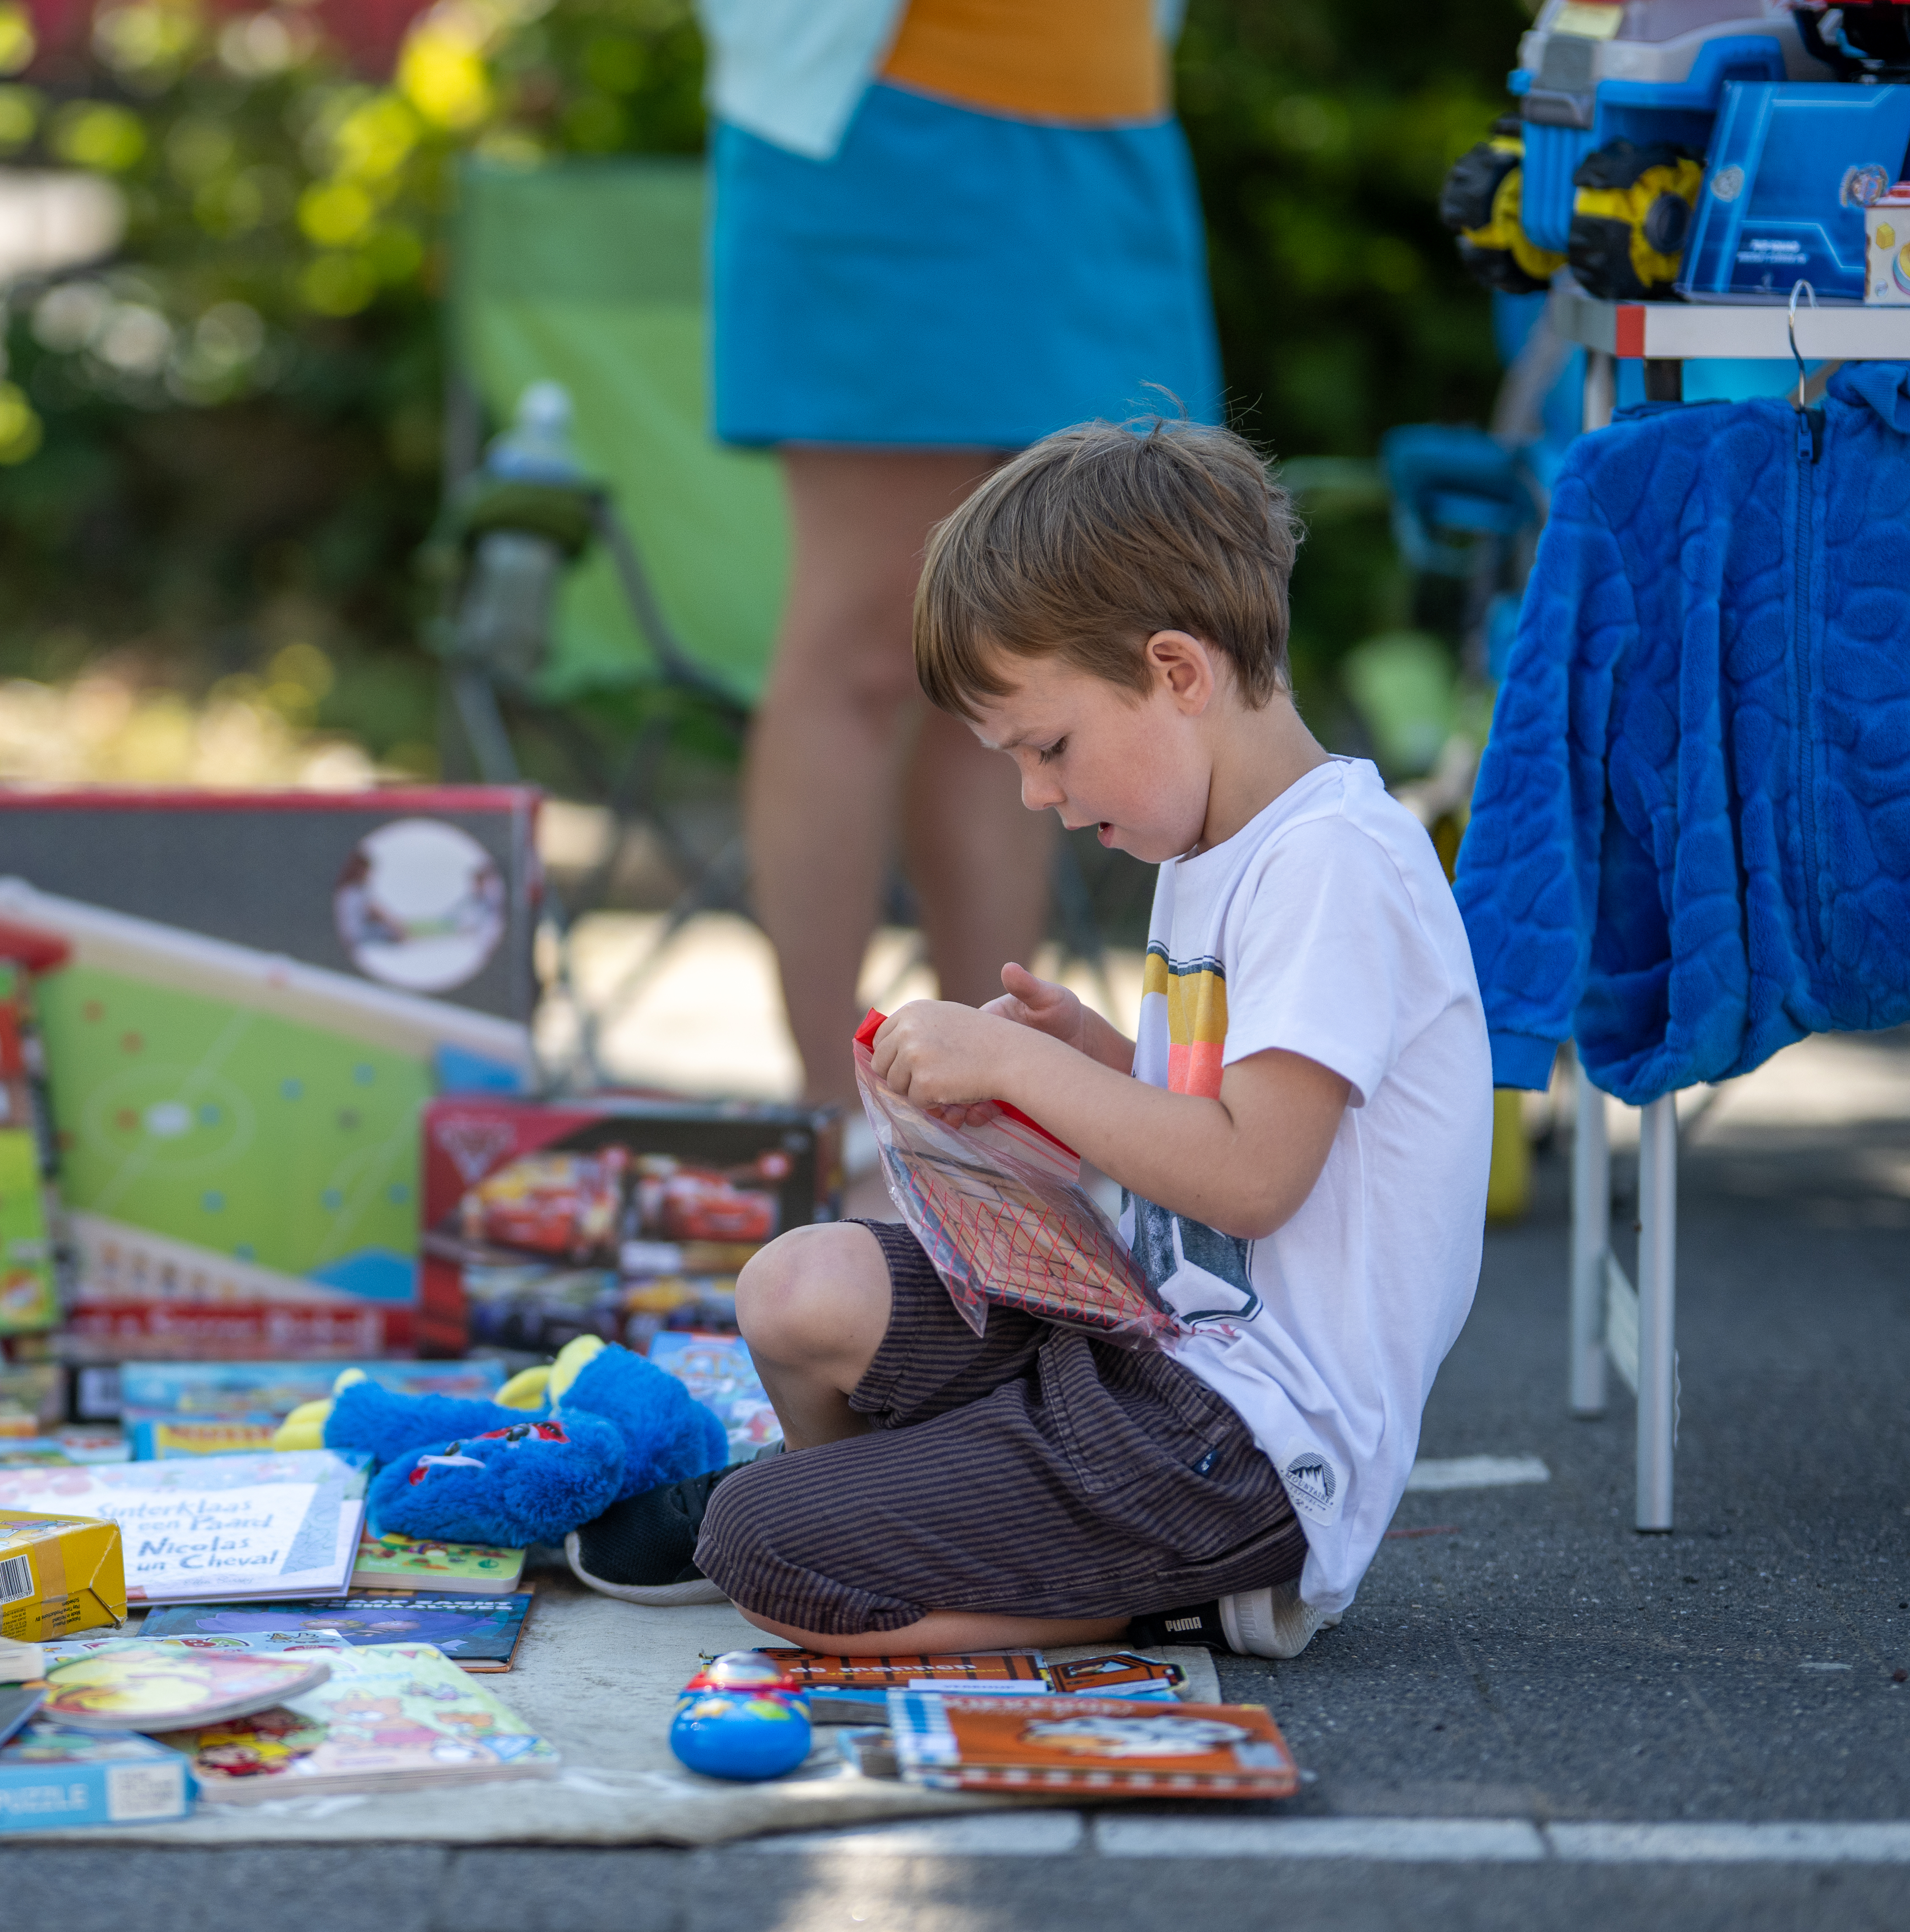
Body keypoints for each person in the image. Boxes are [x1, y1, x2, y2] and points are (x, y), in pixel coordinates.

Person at [569, 418, 1490, 1661]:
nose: (1037, 795)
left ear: (1177, 669)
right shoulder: (1217, 835)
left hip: (1240, 1440)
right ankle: (928, 1513)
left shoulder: (1328, 862)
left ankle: (1161, 1591)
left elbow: (1255, 1176)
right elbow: (1235, 1120)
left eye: (1046, 747)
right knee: (795, 1292)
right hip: (1143, 1336)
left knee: (764, 1562)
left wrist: (1025, 1066)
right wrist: (1105, 1062)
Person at [702, 0, 1224, 1106]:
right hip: (880, 126)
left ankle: (984, 1118)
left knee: (1037, 653)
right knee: (864, 644)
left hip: (1108, 131)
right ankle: (829, 1118)